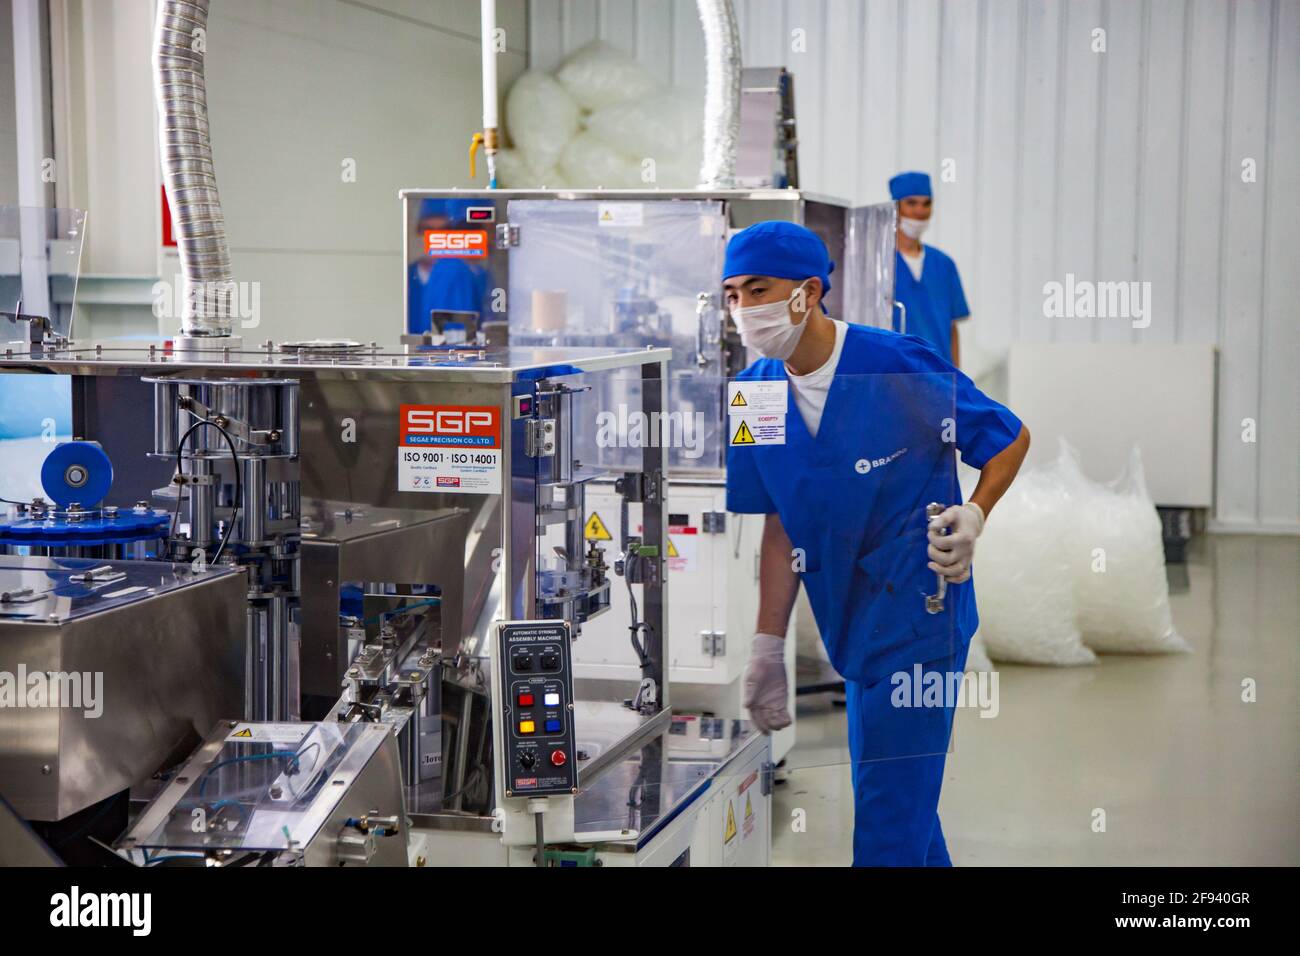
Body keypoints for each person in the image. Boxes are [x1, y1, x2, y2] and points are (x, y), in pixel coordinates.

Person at [723, 220, 1029, 866]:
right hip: (853, 631)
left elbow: (1007, 438)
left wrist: (975, 514)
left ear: (808, 293)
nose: (743, 310)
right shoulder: (755, 396)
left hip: (919, 621)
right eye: (731, 295)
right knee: (904, 808)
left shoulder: (894, 365)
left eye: (758, 290)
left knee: (887, 826)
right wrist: (766, 646)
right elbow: (779, 526)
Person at [889, 171, 969, 367]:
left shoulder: (943, 264)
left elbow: (952, 328)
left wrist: (955, 377)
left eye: (926, 203)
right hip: (894, 370)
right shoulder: (880, 262)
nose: (919, 211)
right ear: (895, 207)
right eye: (911, 203)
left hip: (938, 371)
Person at [407, 199, 490, 335]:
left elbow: (457, 342)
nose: (435, 236)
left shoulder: (457, 273)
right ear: (417, 231)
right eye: (428, 230)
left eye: (444, 230)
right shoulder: (407, 277)